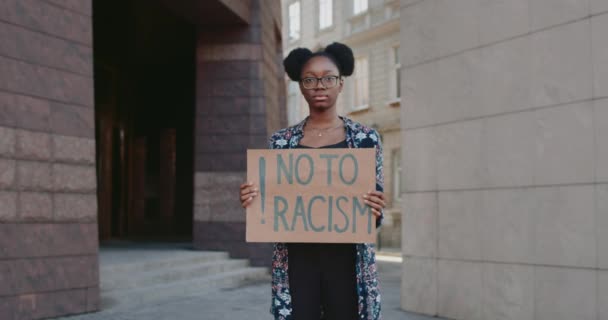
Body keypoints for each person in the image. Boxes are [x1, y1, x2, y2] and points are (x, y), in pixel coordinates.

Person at [239, 42, 385, 320]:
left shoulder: (365, 139)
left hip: (347, 264)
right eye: (310, 79)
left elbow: (373, 216)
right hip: (297, 263)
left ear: (341, 83)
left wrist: (376, 208)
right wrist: (252, 199)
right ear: (301, 85)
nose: (319, 85)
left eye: (328, 77)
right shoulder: (280, 142)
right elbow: (271, 207)